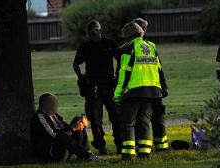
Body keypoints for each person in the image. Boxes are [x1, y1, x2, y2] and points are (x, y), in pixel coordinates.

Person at [114, 22, 167, 160]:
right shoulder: (151, 46)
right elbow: (159, 70)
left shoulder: (128, 48)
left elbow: (124, 73)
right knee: (144, 122)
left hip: (134, 91)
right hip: (152, 91)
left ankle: (128, 154)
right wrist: (162, 88)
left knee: (128, 123)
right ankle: (145, 153)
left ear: (127, 36)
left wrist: (118, 94)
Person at [72, 20, 120, 155]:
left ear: (100, 30)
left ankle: (120, 144)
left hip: (109, 85)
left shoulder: (109, 43)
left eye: (96, 31)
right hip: (93, 86)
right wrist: (81, 77)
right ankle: (101, 146)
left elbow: (121, 58)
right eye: (91, 33)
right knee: (95, 118)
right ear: (88, 33)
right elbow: (76, 64)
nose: (93, 34)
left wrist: (118, 74)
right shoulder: (85, 47)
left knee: (115, 116)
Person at [133, 17, 169, 152]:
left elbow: (159, 68)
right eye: (142, 27)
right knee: (142, 120)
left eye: (145, 28)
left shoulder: (150, 46)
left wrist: (164, 86)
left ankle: (161, 147)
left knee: (157, 119)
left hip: (153, 88)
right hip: (144, 89)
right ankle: (144, 147)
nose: (144, 30)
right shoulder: (135, 47)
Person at [30, 93, 99, 162]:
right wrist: (73, 129)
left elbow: (65, 128)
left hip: (64, 147)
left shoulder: (53, 115)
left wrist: (79, 124)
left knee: (78, 121)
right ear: (46, 105)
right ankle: (86, 156)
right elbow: (53, 135)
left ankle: (86, 153)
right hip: (51, 153)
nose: (55, 105)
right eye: (53, 103)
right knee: (61, 134)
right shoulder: (39, 118)